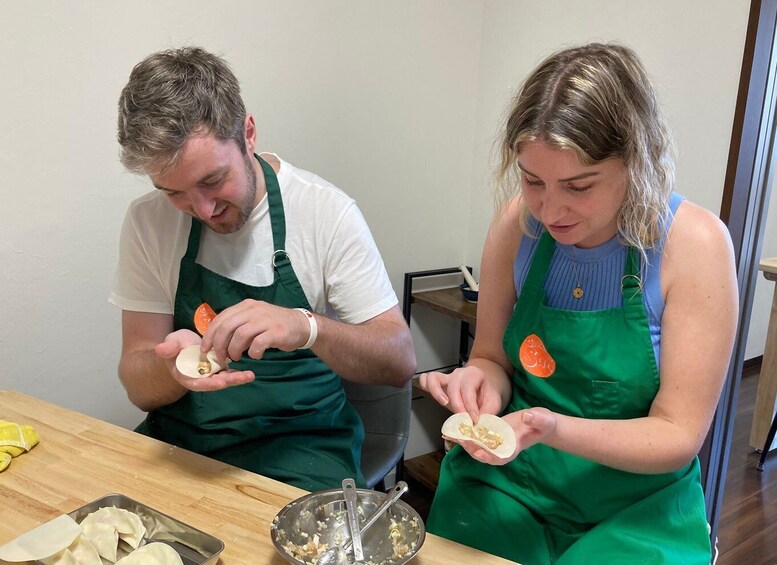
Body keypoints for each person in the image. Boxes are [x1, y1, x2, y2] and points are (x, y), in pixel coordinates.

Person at [419, 43, 738, 564]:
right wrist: (478, 386)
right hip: (512, 484)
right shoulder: (516, 225)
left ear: (636, 164)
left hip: (637, 506)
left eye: (579, 186)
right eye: (532, 180)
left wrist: (552, 428)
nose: (549, 209)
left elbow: (677, 435)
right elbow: (494, 359)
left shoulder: (694, 245)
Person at [110, 46, 416, 492]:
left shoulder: (325, 212)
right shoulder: (148, 221)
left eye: (213, 180)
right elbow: (138, 384)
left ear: (248, 133)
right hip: (184, 444)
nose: (204, 209)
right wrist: (170, 369)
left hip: (303, 448)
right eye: (173, 192)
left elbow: (399, 360)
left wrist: (307, 327)